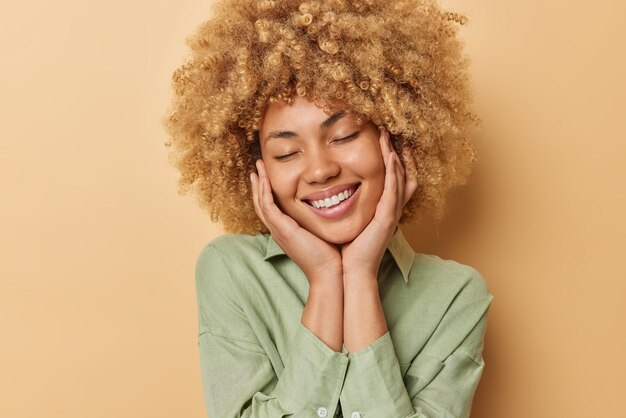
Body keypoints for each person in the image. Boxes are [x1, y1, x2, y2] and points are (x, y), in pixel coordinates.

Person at [163, 0, 494, 417]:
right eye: (286, 153)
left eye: (344, 135)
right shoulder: (232, 272)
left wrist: (358, 276)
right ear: (256, 171)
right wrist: (324, 279)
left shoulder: (455, 296)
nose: (320, 170)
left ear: (395, 138)